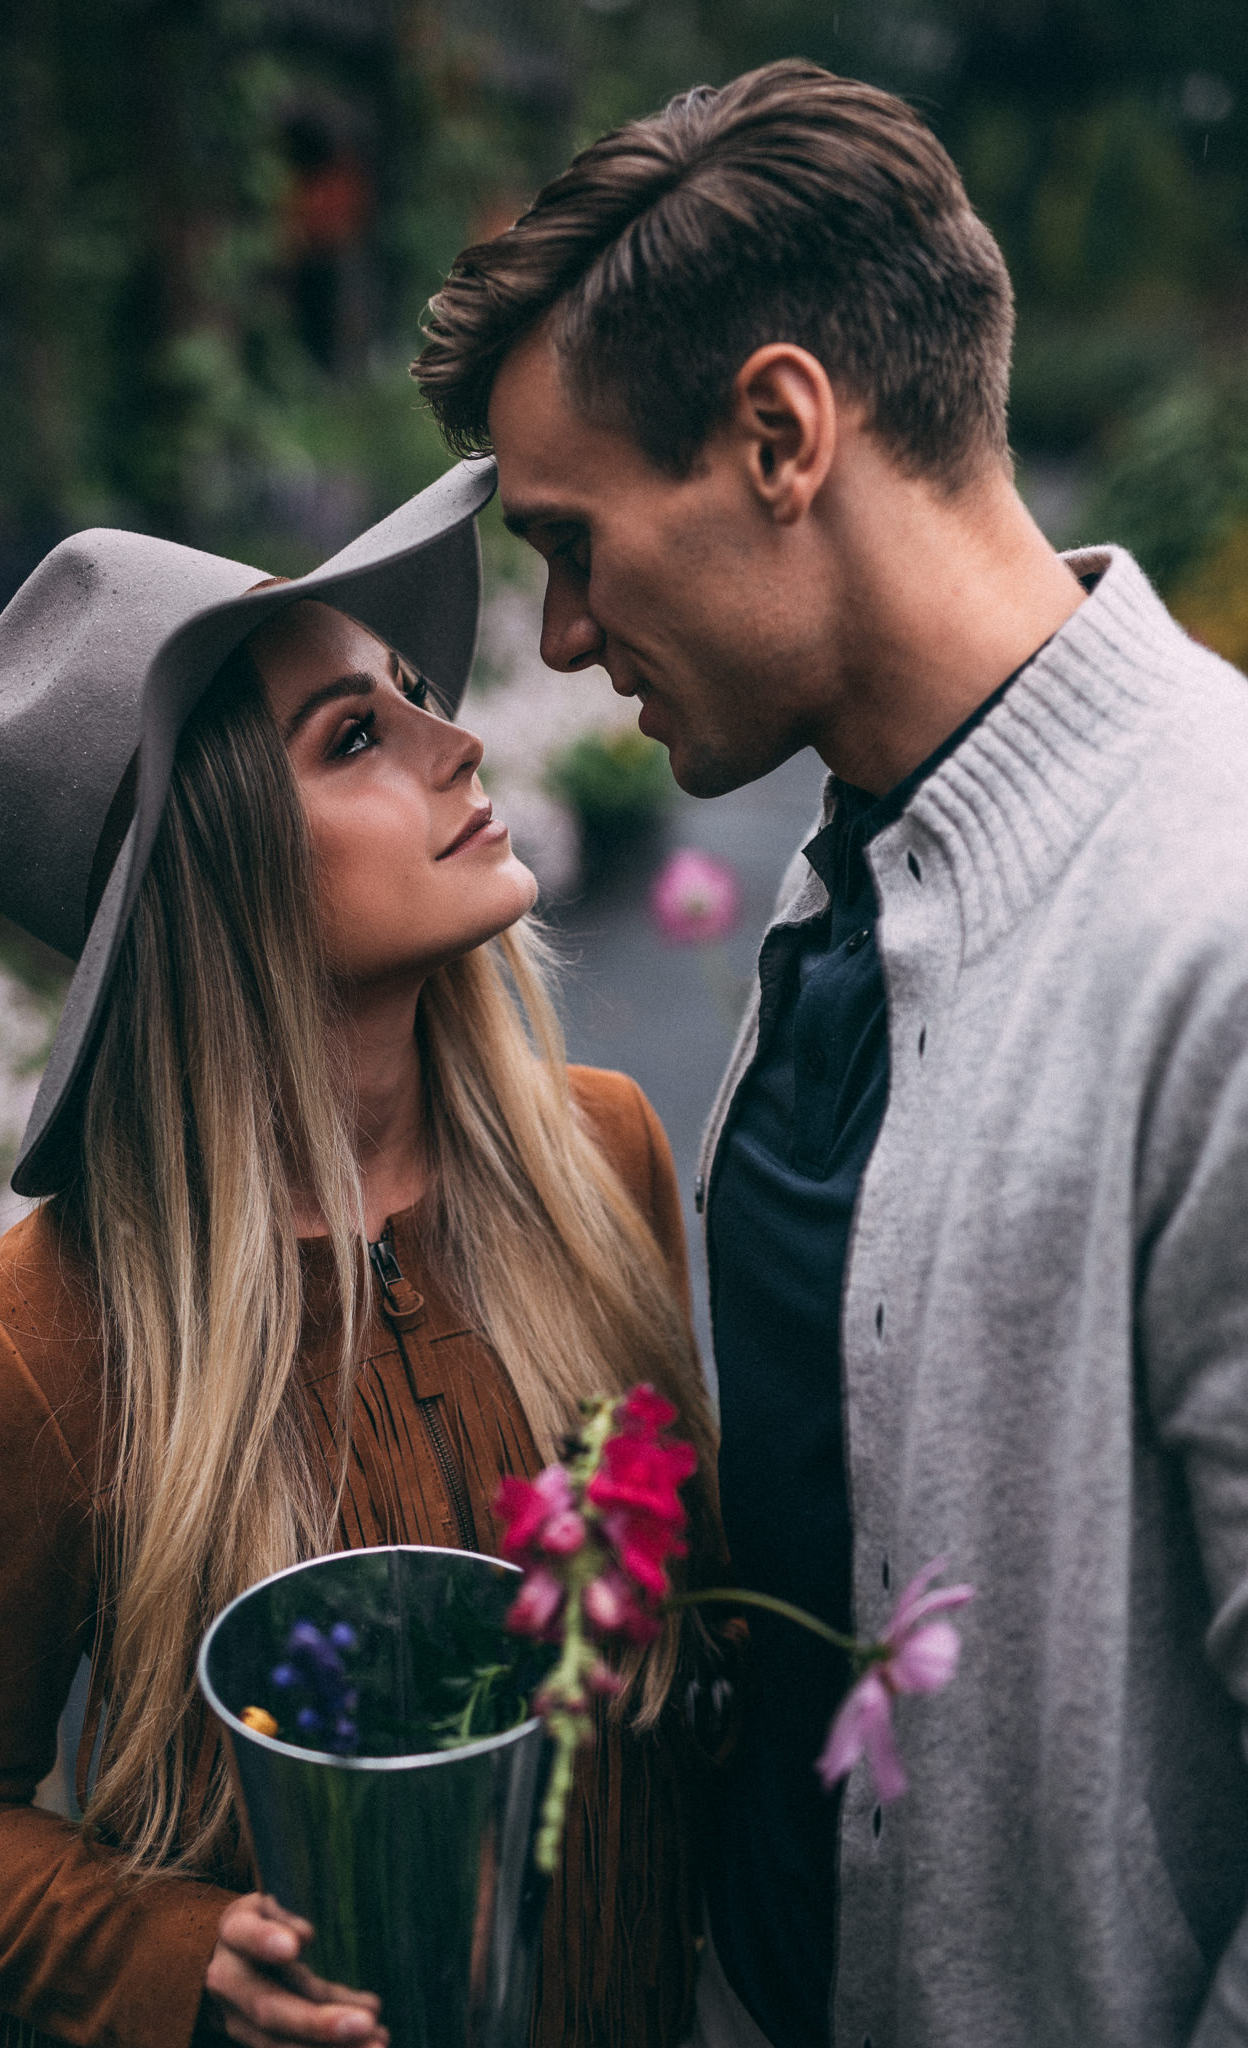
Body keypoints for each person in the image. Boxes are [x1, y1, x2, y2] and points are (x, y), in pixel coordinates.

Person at [411, 56, 1248, 2048]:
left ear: (779, 430)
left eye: (571, 540)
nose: (549, 640)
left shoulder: (1211, 930)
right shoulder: (852, 872)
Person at [0, 466, 724, 2048]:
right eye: (356, 737)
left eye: (414, 695)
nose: (457, 740)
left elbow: (702, 1637)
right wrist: (161, 1955)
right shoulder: (39, 1341)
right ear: (214, 878)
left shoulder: (604, 1158)